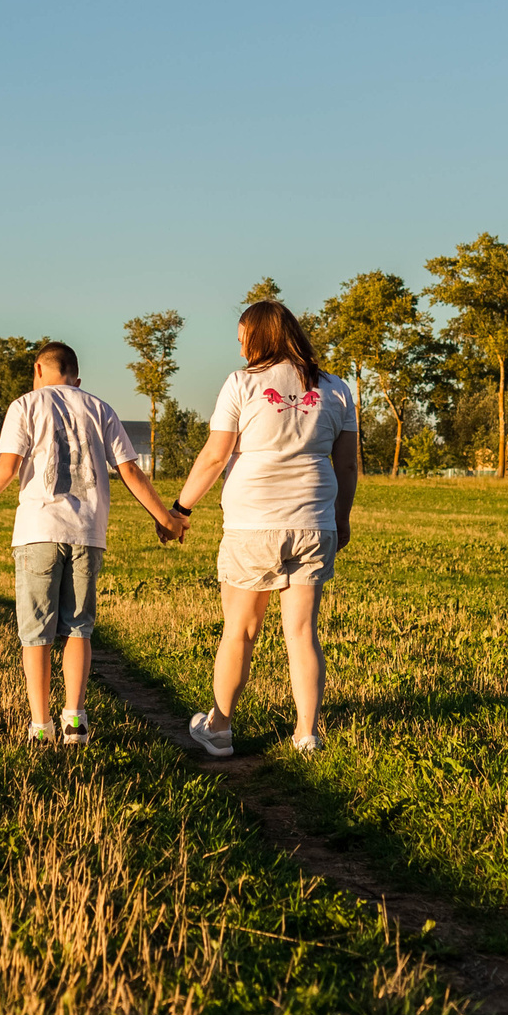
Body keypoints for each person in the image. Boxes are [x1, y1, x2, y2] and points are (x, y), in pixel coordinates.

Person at [0, 341, 180, 746]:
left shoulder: (24, 405)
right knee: (78, 629)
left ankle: (41, 726)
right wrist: (165, 518)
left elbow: (7, 468)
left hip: (39, 530)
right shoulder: (100, 407)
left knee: (35, 633)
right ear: (77, 378)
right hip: (87, 532)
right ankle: (75, 721)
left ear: (39, 368)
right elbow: (129, 470)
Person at [165, 300, 357, 757]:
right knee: (302, 632)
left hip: (254, 523)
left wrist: (179, 508)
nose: (240, 348)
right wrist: (342, 518)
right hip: (315, 521)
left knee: (240, 631)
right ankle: (307, 734)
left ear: (259, 337)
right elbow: (347, 464)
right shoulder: (336, 388)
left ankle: (219, 728)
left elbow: (214, 457)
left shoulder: (241, 384)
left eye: (242, 339)